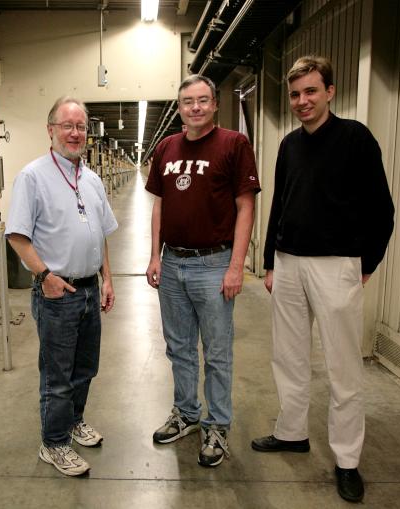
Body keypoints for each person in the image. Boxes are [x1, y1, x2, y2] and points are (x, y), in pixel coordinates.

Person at [251, 55, 394, 503]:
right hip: (289, 263)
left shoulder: (356, 138)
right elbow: (279, 203)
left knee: (342, 368)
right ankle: (292, 432)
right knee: (288, 356)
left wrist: (365, 263)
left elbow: (382, 209)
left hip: (337, 265)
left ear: (330, 91)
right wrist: (271, 261)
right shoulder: (289, 145)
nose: (302, 101)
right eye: (295, 94)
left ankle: (347, 460)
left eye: (311, 91)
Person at [145, 74, 260, 468]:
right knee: (178, 348)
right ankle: (187, 413)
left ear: (213, 105)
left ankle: (218, 425)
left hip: (214, 265)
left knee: (216, 352)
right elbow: (159, 204)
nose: (195, 107)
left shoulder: (234, 144)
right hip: (172, 262)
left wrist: (235, 267)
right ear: (179, 108)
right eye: (187, 101)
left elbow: (246, 207)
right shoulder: (166, 147)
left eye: (202, 100)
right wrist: (155, 255)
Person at [6, 96, 117, 477]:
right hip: (57, 292)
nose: (75, 133)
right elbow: (17, 236)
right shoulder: (33, 177)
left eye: (81, 126)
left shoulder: (93, 179)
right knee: (57, 374)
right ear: (50, 129)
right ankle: (53, 443)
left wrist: (107, 279)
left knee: (85, 367)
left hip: (89, 287)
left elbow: (101, 233)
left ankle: (73, 421)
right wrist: (43, 277)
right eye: (67, 125)